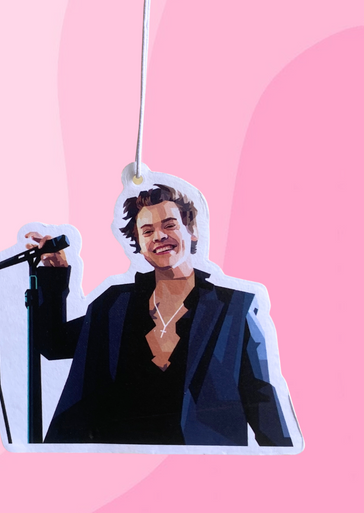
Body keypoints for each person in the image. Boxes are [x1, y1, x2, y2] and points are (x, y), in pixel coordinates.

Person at [25, 184, 293, 446]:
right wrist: (54, 275)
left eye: (169, 225)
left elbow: (261, 397)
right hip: (117, 462)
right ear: (140, 245)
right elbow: (54, 344)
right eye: (147, 231)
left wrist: (282, 455)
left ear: (192, 232)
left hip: (202, 463)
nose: (159, 236)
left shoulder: (235, 308)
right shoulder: (114, 306)